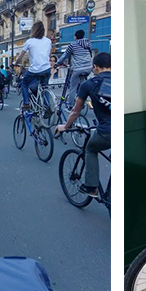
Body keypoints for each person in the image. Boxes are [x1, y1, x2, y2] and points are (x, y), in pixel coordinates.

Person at [57, 52, 111, 197]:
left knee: (90, 149)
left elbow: (75, 111)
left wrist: (65, 126)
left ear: (95, 67)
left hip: (107, 131)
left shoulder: (89, 85)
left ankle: (91, 187)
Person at [14, 20, 52, 110]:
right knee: (44, 87)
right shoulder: (48, 41)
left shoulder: (30, 41)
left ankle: (26, 102)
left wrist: (16, 63)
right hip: (46, 68)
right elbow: (49, 55)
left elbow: (21, 56)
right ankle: (47, 106)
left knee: (24, 84)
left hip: (34, 70)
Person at [56, 29, 94, 108]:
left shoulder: (72, 45)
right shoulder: (88, 43)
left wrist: (57, 63)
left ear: (76, 37)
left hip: (78, 68)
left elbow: (65, 55)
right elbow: (90, 53)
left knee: (73, 87)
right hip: (88, 68)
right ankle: (84, 101)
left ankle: (70, 106)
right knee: (83, 85)